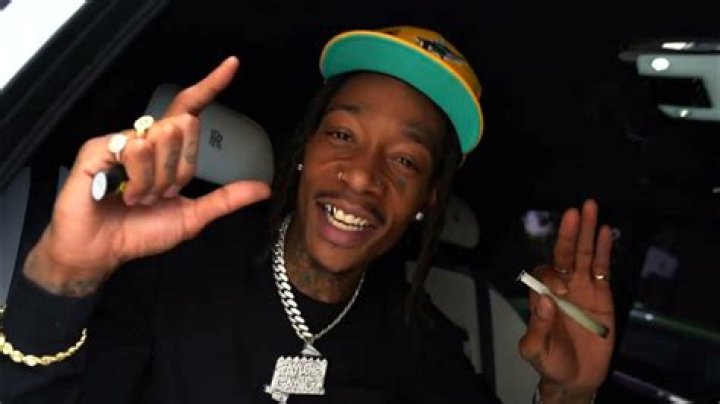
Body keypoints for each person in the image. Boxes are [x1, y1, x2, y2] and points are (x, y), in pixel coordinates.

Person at [0, 26, 615, 403]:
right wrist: (62, 276)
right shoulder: (176, 268)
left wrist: (569, 396)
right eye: (342, 135)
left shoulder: (418, 339)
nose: (363, 176)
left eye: (405, 160)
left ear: (427, 200)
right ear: (304, 151)